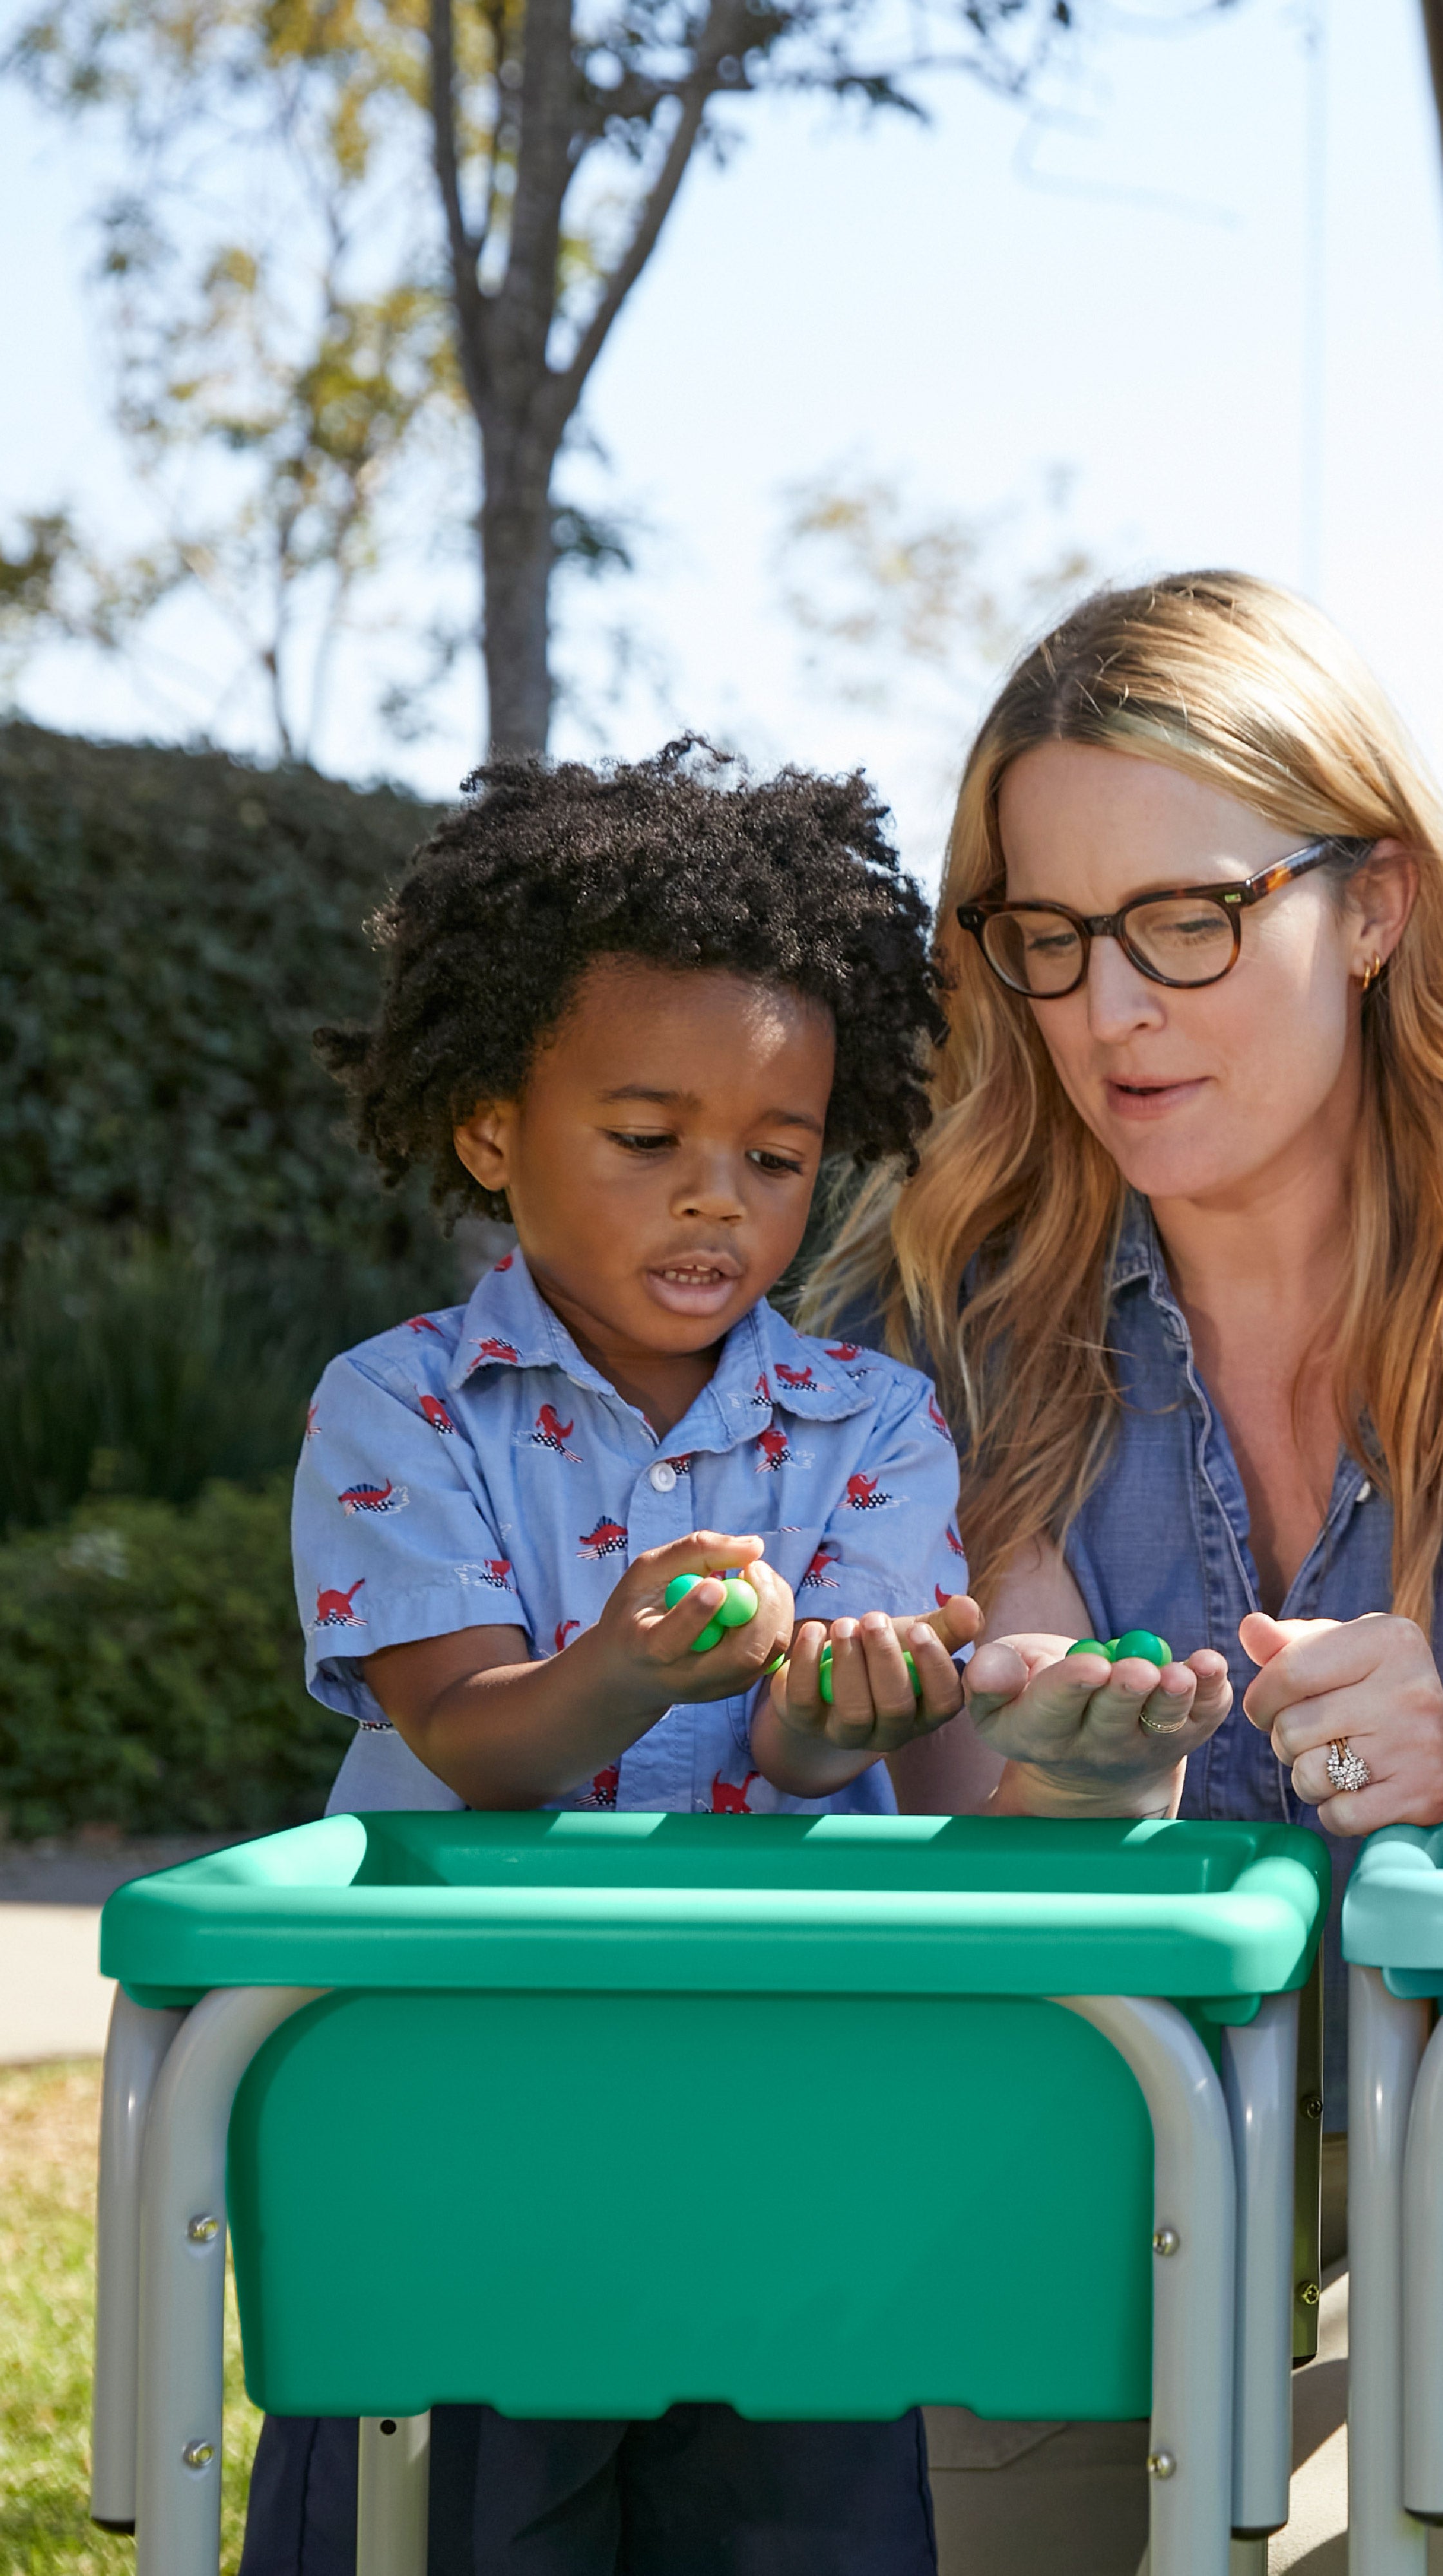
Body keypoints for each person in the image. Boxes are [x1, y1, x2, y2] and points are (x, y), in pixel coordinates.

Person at [800, 569, 1443, 2568]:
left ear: (1374, 904)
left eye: (1188, 919)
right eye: (1050, 938)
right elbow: (995, 1944)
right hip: (1077, 2152)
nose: (1109, 1011)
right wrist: (1073, 1799)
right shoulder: (946, 1312)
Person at [248, 741, 969, 2576]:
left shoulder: (875, 1424)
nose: (717, 1197)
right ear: (495, 1131)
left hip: (784, 2123)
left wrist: (849, 1703)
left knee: (796, 2535)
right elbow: (470, 1735)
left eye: (776, 1156)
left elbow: (807, 1754)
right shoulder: (400, 1407)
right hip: (463, 2119)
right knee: (451, 2529)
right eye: (648, 1141)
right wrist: (630, 1663)